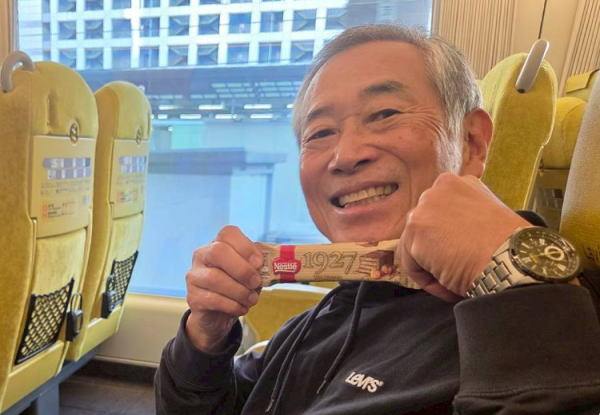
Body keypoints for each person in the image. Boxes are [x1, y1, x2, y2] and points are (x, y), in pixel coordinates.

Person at [155, 25, 600, 414]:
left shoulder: (556, 323)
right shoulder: (324, 317)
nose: (345, 155)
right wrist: (205, 338)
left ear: (472, 142)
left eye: (385, 114)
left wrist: (514, 275)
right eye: (320, 133)